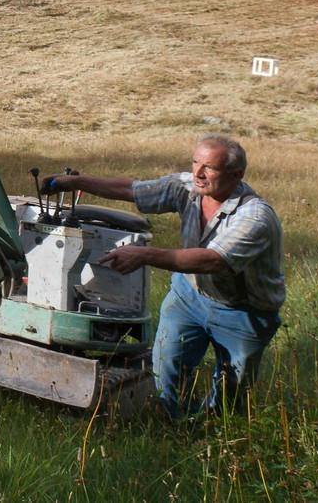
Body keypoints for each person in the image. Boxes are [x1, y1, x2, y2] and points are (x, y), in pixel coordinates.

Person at [43, 135, 284, 419]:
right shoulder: (188, 188)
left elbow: (213, 261)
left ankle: (214, 437)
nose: (198, 173)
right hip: (188, 297)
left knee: (231, 393)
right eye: (195, 163)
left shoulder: (255, 217)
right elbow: (133, 190)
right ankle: (176, 425)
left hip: (243, 311)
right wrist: (75, 182)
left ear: (236, 174)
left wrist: (144, 255)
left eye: (210, 167)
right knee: (166, 370)